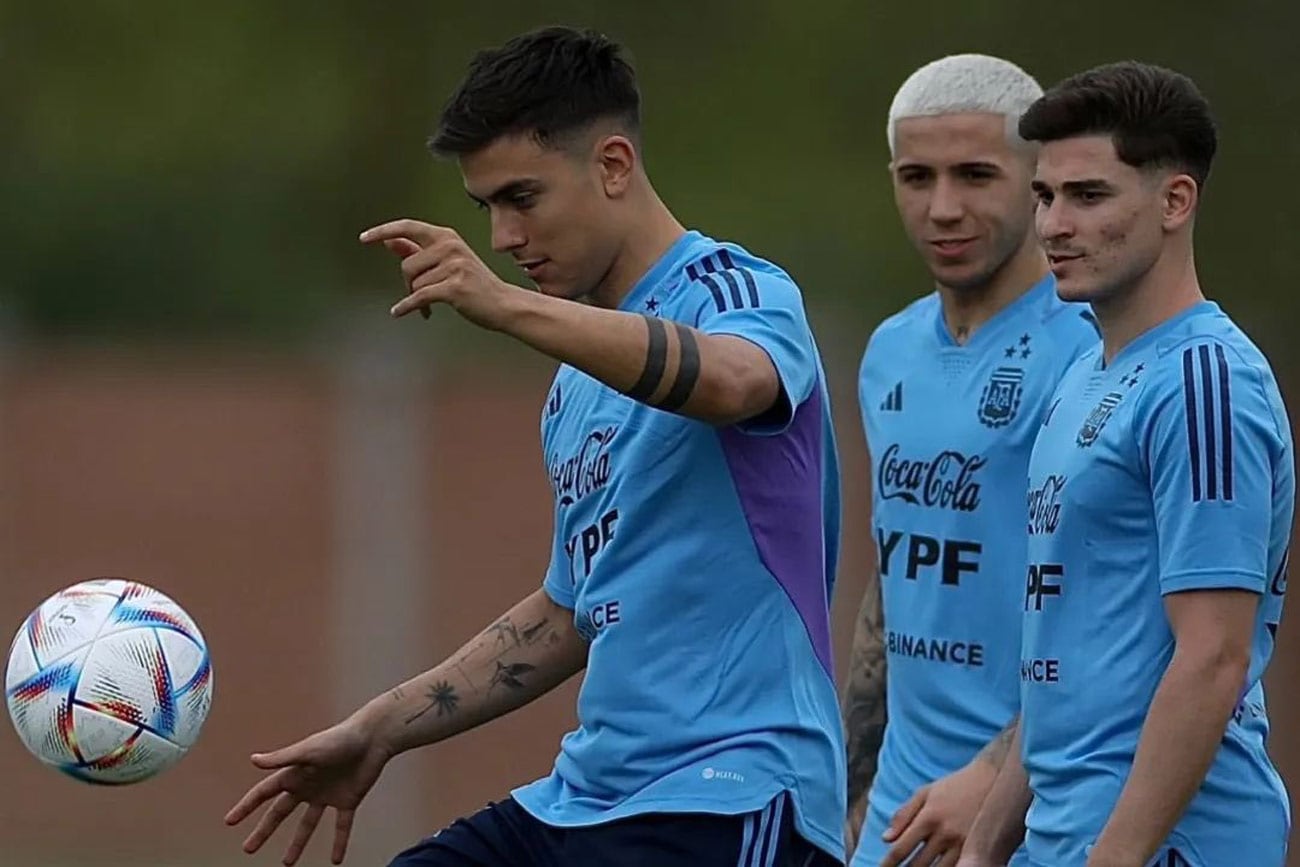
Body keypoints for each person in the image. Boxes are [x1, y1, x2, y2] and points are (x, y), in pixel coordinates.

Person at [223, 25, 846, 867]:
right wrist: (382, 726)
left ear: (614, 166)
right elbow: (568, 610)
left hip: (730, 795)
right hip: (585, 797)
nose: (502, 239)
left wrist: (505, 310)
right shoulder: (573, 387)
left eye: (523, 198)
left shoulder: (736, 289)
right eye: (486, 208)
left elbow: (737, 382)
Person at [959, 61, 1294, 867]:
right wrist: (984, 846)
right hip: (1064, 838)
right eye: (1044, 197)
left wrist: (1112, 856)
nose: (1053, 226)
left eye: (1089, 196)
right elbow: (1061, 663)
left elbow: (1212, 657)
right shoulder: (1085, 373)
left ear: (1175, 201)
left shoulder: (1204, 381)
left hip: (1170, 845)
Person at [842, 54, 1099, 866]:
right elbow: (896, 573)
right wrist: (851, 782)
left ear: (1036, 182)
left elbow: (1124, 613)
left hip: (1042, 803)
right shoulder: (889, 351)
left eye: (975, 175)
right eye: (917, 176)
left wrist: (994, 773)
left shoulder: (1093, 349)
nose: (942, 208)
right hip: (900, 812)